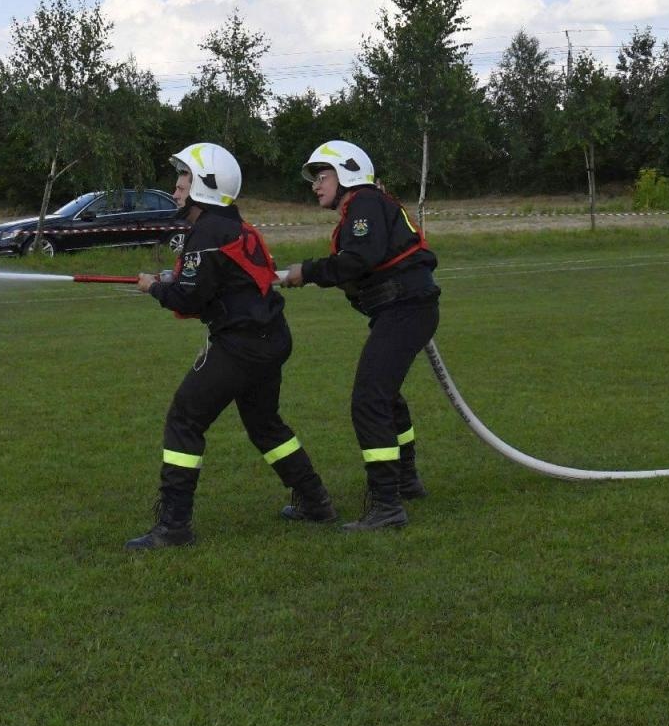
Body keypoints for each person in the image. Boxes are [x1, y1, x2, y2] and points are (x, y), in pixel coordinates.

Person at [126, 142, 336, 550]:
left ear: (205, 186)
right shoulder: (232, 226)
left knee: (185, 419)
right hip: (270, 337)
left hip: (241, 344)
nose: (175, 191)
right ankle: (316, 502)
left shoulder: (205, 234)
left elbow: (191, 300)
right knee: (265, 425)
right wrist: (172, 282)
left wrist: (154, 288)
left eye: (183, 183)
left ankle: (173, 526)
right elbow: (214, 283)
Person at [281, 140, 439, 532]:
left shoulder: (365, 204)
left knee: (369, 400)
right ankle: (406, 480)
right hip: (404, 308)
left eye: (322, 177)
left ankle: (387, 504)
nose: (316, 186)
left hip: (406, 308)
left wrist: (306, 272)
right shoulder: (365, 206)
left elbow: (356, 262)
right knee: (386, 397)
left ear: (348, 172)